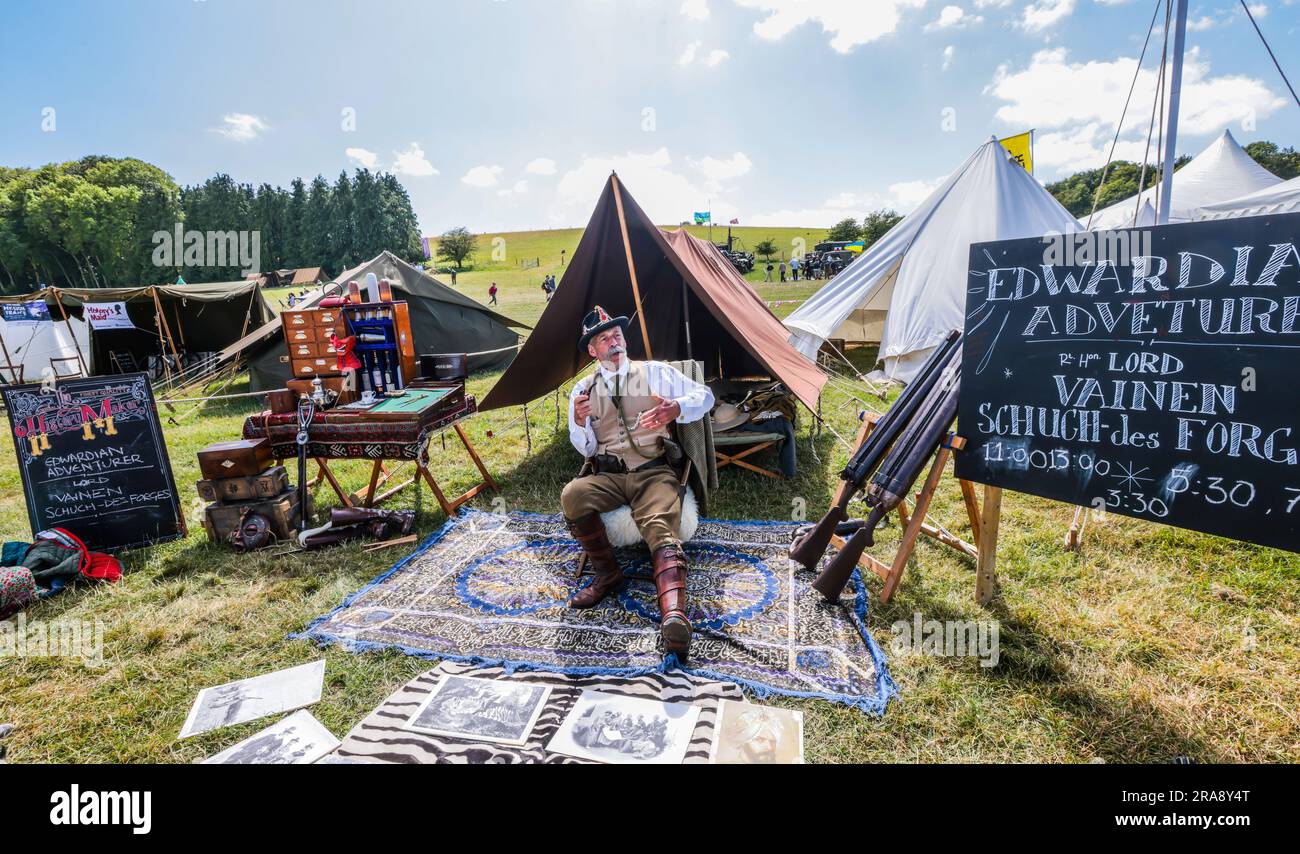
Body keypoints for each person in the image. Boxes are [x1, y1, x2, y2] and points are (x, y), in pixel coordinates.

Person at [563, 306, 714, 656]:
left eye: (616, 335)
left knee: (659, 522)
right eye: (604, 339)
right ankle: (607, 574)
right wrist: (579, 421)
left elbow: (704, 397)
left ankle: (674, 617)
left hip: (653, 470)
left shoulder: (655, 372)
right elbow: (584, 448)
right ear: (592, 350)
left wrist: (675, 408)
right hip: (609, 474)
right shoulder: (583, 390)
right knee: (573, 495)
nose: (614, 342)